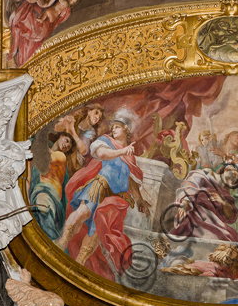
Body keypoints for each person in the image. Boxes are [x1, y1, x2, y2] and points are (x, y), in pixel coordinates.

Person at [56, 116, 150, 282]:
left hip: (115, 199)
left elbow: (131, 181)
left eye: (117, 127)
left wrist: (140, 199)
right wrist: (122, 151)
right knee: (83, 212)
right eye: (112, 126)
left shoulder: (130, 157)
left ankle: (79, 263)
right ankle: (61, 243)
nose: (113, 130)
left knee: (97, 231)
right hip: (100, 186)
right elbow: (102, 154)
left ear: (126, 130)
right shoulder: (105, 141)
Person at [170, 166, 238, 242]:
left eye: (235, 180)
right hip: (196, 213)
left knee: (227, 237)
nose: (233, 179)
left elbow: (230, 216)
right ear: (226, 170)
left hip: (214, 221)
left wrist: (223, 202)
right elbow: (191, 185)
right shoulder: (208, 174)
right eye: (234, 174)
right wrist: (185, 202)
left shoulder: (225, 194)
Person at [29, 132, 75, 240]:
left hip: (49, 194)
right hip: (40, 191)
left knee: (43, 208)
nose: (65, 146)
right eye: (66, 141)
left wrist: (39, 137)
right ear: (61, 136)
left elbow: (45, 154)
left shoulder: (61, 156)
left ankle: (49, 242)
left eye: (68, 147)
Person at [7, 0, 78, 67]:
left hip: (43, 21)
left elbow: (49, 8)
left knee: (33, 36)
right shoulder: (63, 2)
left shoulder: (66, 10)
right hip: (36, 11)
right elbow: (45, 3)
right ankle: (14, 51)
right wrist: (41, 2)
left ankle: (20, 58)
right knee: (23, 27)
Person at [54, 103, 105, 176]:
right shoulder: (77, 119)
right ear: (88, 111)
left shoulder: (92, 132)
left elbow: (83, 151)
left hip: (75, 162)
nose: (97, 117)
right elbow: (56, 128)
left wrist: (73, 132)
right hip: (64, 149)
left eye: (99, 117)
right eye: (96, 113)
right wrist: (64, 122)